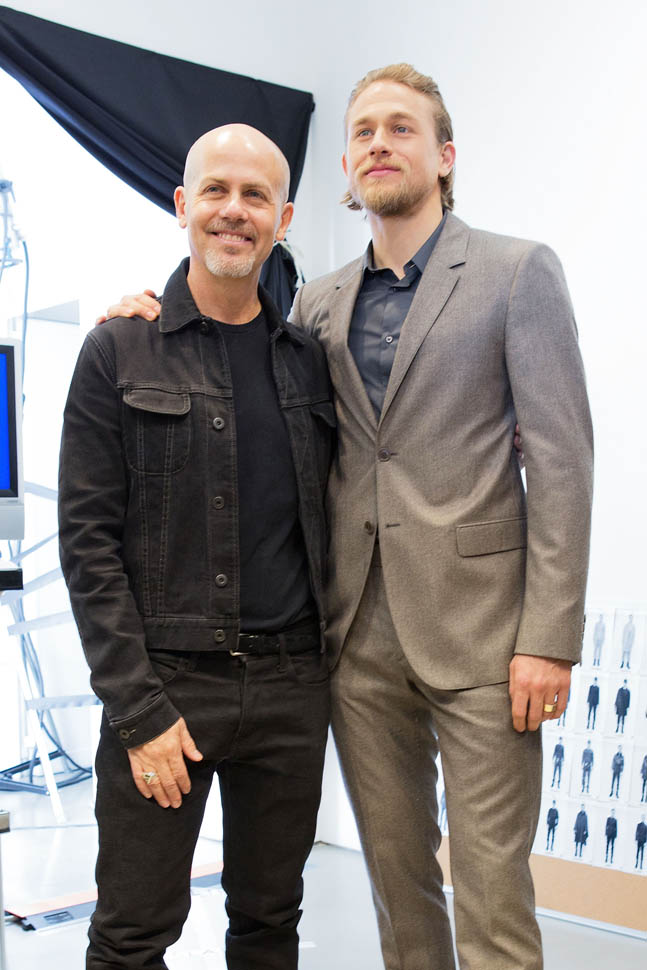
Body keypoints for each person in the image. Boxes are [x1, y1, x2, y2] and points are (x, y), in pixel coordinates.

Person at [104, 63, 593, 970]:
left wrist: (549, 638)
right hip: (356, 643)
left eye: (400, 128)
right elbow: (238, 370)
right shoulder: (316, 304)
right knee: (397, 892)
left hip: (486, 640)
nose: (378, 143)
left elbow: (561, 460)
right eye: (362, 131)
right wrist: (144, 314)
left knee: (491, 894)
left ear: (444, 156)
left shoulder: (515, 272)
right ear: (343, 167)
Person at [59, 125, 335, 970]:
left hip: (291, 689)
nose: (233, 210)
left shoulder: (309, 363)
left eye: (255, 196)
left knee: (268, 925)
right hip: (166, 689)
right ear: (182, 204)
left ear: (283, 218)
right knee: (132, 935)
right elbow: (87, 546)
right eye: (216, 189)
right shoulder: (117, 349)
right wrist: (137, 711)